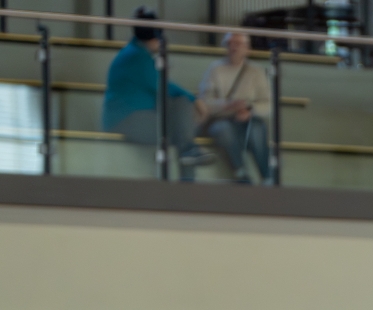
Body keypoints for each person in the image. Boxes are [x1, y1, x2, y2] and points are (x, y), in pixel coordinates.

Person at [102, 8, 202, 180]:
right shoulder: (136, 56)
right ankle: (188, 177)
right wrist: (195, 99)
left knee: (180, 111)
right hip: (126, 119)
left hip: (136, 116)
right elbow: (162, 86)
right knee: (182, 130)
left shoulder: (136, 52)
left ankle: (189, 159)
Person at [196, 32, 272, 184]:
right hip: (221, 118)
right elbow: (204, 101)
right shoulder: (215, 69)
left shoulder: (256, 71)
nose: (233, 47)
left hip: (248, 119)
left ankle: (267, 177)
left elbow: (268, 104)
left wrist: (249, 110)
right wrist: (227, 105)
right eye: (230, 43)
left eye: (238, 44)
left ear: (247, 48)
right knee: (223, 129)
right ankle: (241, 173)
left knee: (257, 129)